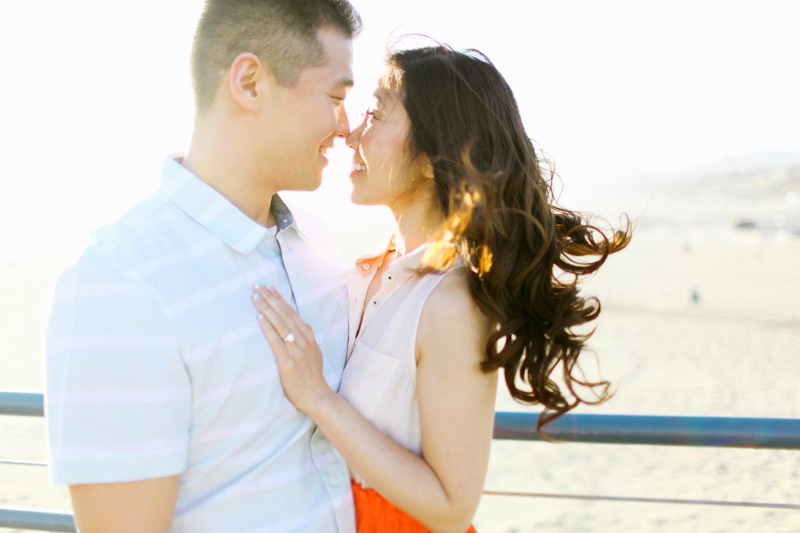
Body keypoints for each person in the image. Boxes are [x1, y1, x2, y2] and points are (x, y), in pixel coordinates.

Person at [252, 44, 632, 532]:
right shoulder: (365, 273)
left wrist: (319, 398)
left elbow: (454, 507)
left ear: (434, 157)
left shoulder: (451, 307)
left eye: (375, 114)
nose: (351, 133)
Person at [44, 1, 361, 531]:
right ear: (250, 82)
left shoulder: (319, 246)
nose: (346, 127)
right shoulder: (119, 281)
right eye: (336, 96)